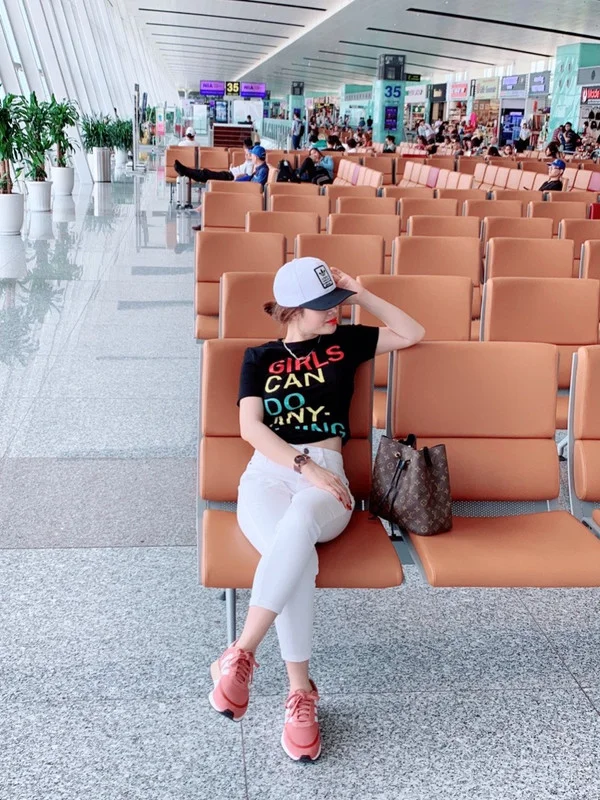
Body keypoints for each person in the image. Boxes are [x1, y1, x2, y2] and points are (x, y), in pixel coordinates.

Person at [207, 257, 425, 762]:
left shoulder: (343, 343)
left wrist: (359, 292)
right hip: (269, 473)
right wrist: (303, 466)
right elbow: (250, 428)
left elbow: (412, 332)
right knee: (296, 556)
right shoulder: (259, 357)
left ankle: (241, 653)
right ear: (290, 309)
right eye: (323, 305)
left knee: (301, 522)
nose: (334, 313)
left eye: (336, 304)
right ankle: (299, 694)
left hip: (327, 476)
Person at [174, 137, 254, 183]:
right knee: (205, 174)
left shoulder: (250, 164)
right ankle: (185, 171)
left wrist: (237, 177)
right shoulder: (248, 161)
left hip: (230, 177)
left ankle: (184, 171)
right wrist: (233, 168)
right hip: (228, 173)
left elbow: (248, 176)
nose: (245, 155)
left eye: (247, 154)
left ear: (252, 156)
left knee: (206, 174)